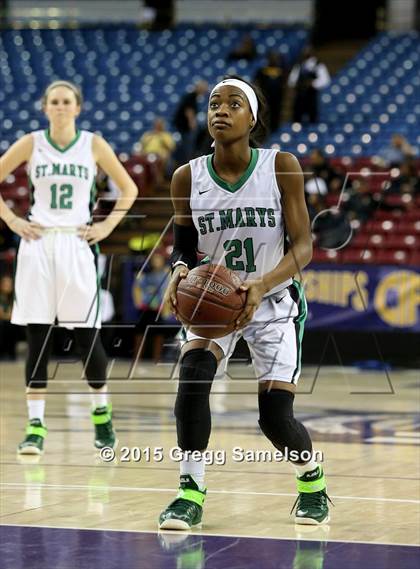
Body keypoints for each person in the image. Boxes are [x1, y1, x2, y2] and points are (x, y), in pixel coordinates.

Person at [158, 76, 331, 530]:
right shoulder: (187, 176)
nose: (221, 109)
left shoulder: (281, 166)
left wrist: (260, 284)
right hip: (214, 297)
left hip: (272, 300)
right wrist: (178, 271)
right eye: (215, 103)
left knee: (274, 419)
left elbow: (304, 247)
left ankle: (310, 480)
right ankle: (189, 492)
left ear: (252, 119)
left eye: (234, 103)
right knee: (193, 378)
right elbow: (182, 245)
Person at [0, 80, 138, 455]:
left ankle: (102, 416)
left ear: (78, 108)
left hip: (77, 245)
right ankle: (35, 426)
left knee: (85, 336)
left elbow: (129, 189)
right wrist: (13, 222)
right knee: (38, 336)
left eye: (67, 102)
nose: (60, 107)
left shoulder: (93, 143)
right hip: (38, 243)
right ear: (44, 107)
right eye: (54, 102)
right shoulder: (32, 143)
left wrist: (107, 226)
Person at [288, 47, 330, 123]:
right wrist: (299, 84)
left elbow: (325, 80)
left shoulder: (318, 65)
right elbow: (291, 80)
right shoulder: (299, 65)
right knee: (297, 119)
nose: (306, 53)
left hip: (311, 96)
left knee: (312, 118)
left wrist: (312, 83)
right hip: (300, 95)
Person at [173, 80, 208, 164]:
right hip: (185, 127)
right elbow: (189, 111)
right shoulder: (191, 97)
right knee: (188, 147)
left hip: (184, 126)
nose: (205, 91)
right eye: (203, 88)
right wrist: (192, 123)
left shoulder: (194, 97)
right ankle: (188, 164)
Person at [254, 51, 286, 134]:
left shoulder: (282, 71)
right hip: (265, 98)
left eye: (275, 58)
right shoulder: (262, 71)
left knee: (275, 117)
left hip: (277, 99)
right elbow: (257, 83)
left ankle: (274, 131)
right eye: (272, 57)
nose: (274, 59)